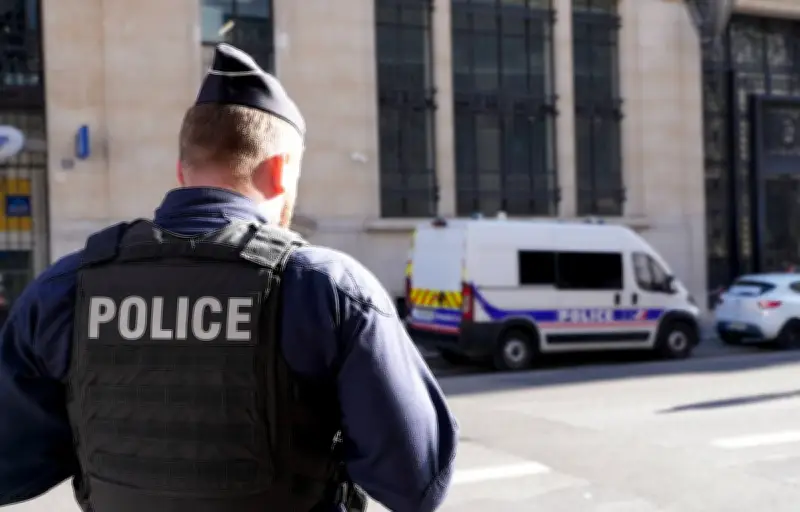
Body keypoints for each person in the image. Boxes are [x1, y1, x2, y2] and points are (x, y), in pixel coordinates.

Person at [0, 43, 458, 512]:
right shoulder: (328, 290)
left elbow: (11, 470)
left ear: (182, 171)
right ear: (280, 171)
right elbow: (416, 483)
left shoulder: (62, 290)